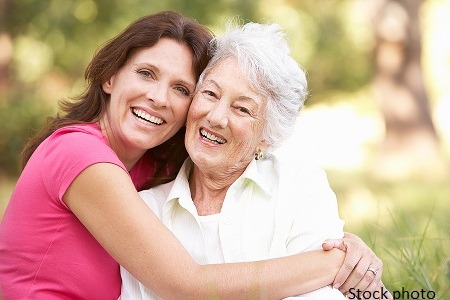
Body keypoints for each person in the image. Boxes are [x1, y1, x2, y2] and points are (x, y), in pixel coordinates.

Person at [0, 11, 386, 300]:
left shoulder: (152, 166)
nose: (158, 97)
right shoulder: (79, 154)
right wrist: (333, 263)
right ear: (110, 76)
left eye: (182, 88)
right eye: (146, 73)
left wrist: (347, 243)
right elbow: (185, 285)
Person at [120, 22, 391, 299]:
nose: (216, 117)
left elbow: (325, 294)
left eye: (242, 108)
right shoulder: (147, 209)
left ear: (267, 137)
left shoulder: (300, 189)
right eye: (210, 94)